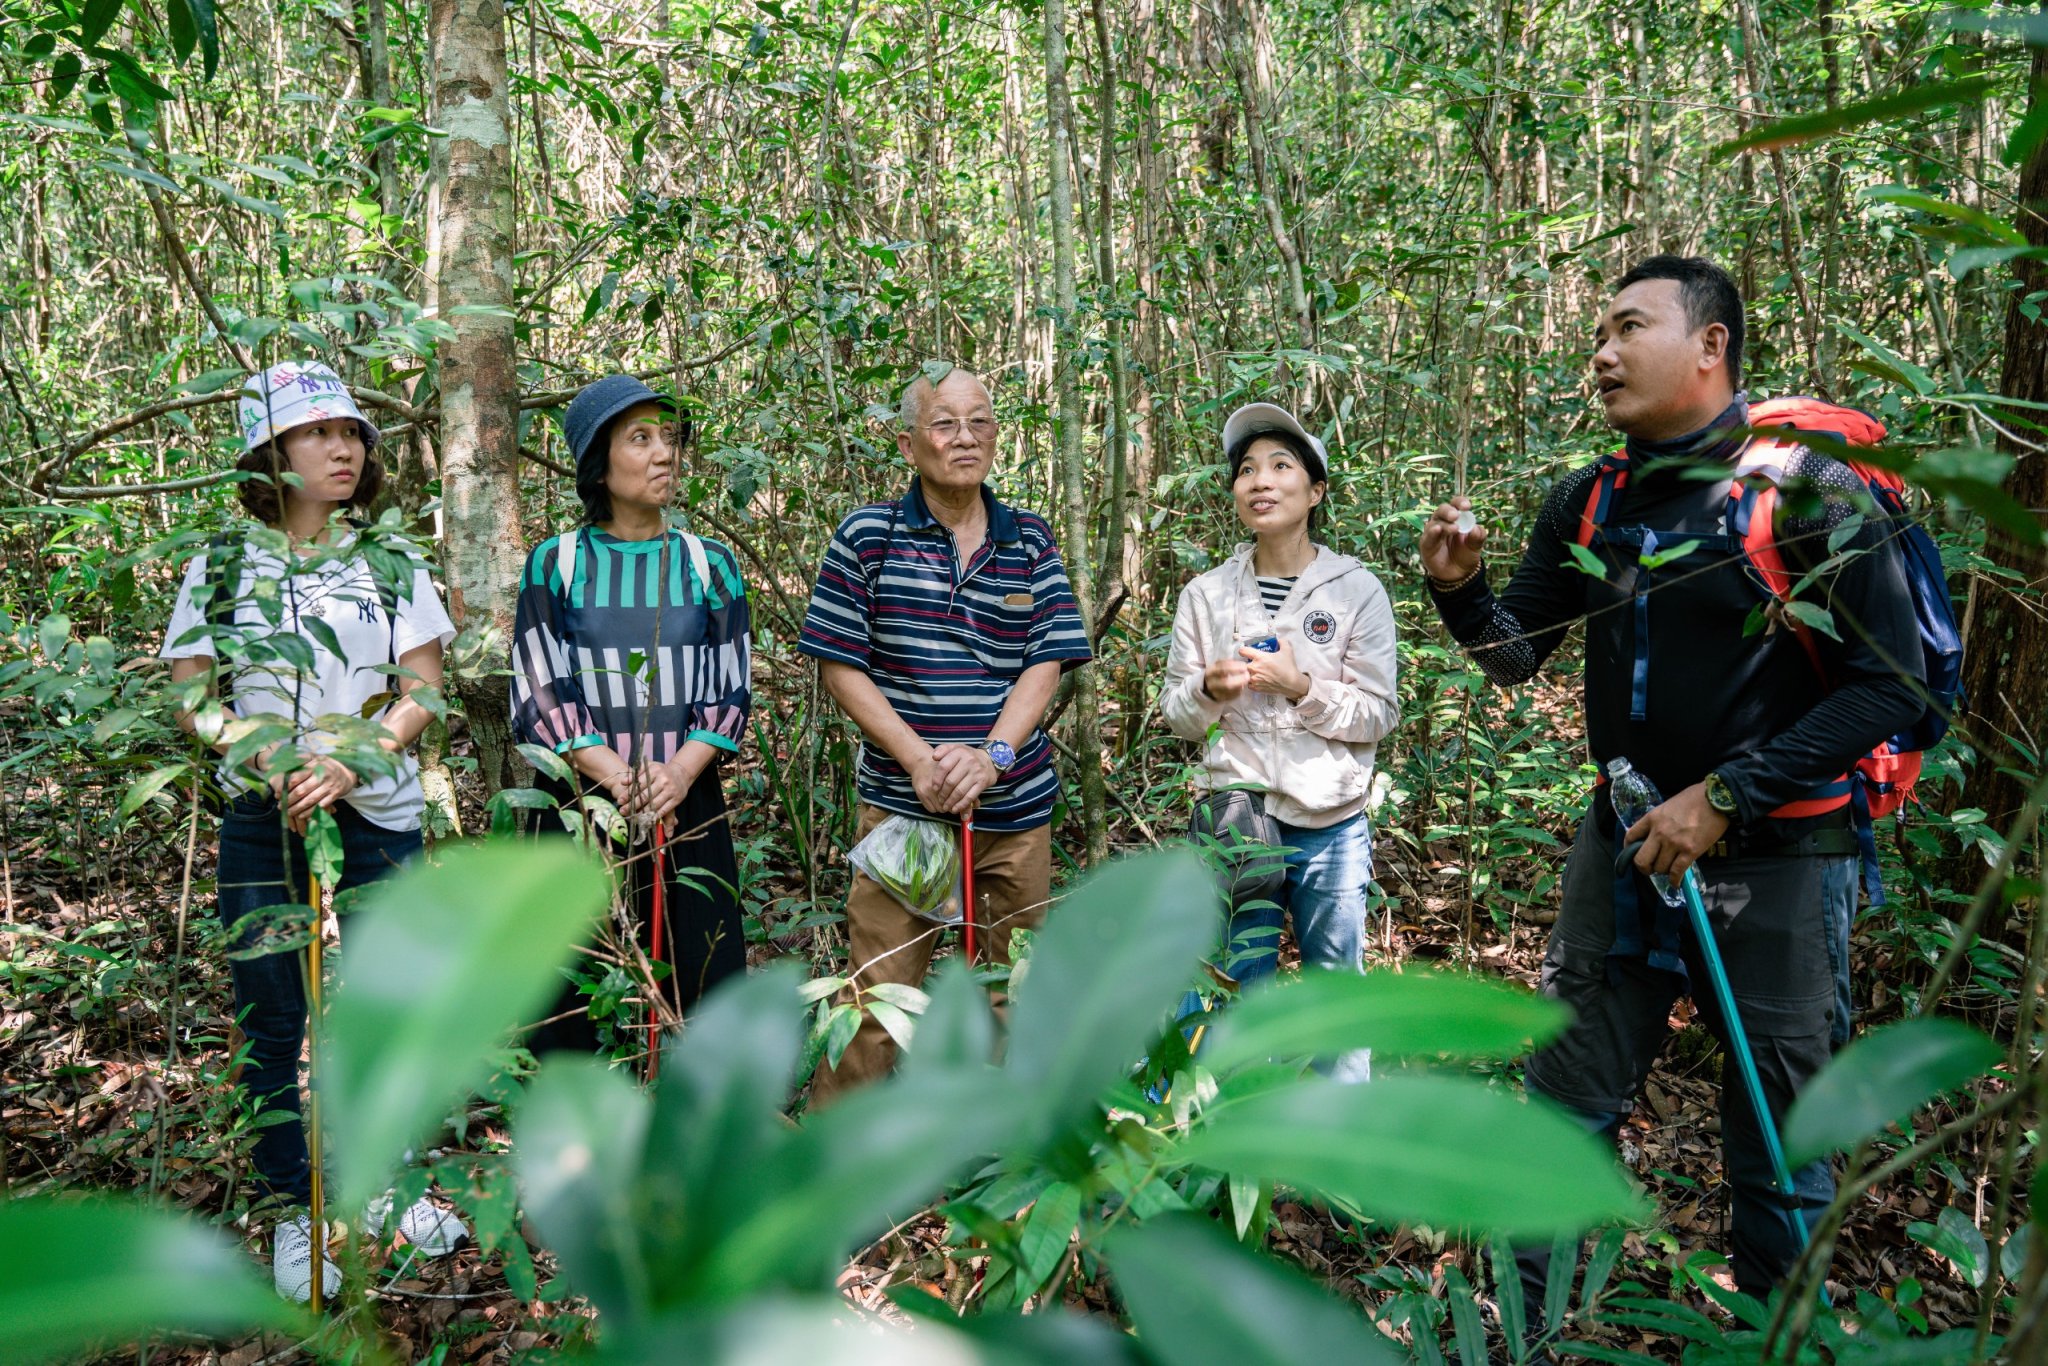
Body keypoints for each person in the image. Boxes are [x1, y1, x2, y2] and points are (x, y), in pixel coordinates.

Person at [1420, 256, 1925, 1301]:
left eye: (1626, 327)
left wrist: (1725, 794)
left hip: (1780, 863)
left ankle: (1777, 1333)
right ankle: (1526, 1329)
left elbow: (1896, 689)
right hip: (1623, 856)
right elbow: (1520, 653)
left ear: (1709, 345)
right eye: (1596, 333)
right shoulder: (1589, 498)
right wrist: (1459, 594)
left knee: (1780, 1155)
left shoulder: (1807, 485)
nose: (1600, 353)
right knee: (1559, 1113)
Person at [160, 360, 467, 1302]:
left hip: (376, 810)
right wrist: (268, 757)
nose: (343, 447)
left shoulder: (388, 559)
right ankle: (299, 1210)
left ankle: (391, 1182)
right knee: (271, 1012)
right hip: (264, 818)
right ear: (271, 452)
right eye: (317, 432)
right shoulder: (221, 564)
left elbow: (424, 688)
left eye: (352, 433)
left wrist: (353, 757)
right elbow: (191, 697)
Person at [798, 365, 1093, 1104]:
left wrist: (992, 757)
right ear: (909, 443)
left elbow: (1047, 660)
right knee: (877, 995)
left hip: (1014, 815)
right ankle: (833, 1173)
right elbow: (840, 664)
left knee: (1012, 993)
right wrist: (920, 760)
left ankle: (1004, 1167)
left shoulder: (1029, 538)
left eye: (980, 421)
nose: (965, 437)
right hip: (906, 810)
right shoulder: (869, 535)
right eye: (944, 422)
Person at [510, 374, 752, 1055]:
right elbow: (537, 691)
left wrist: (674, 775)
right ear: (598, 462)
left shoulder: (711, 566)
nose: (664, 453)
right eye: (640, 438)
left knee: (703, 992)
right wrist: (618, 778)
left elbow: (730, 692)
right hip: (579, 805)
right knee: (569, 1005)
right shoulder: (554, 564)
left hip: (689, 801)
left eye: (669, 437)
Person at [1159, 402, 1397, 1080]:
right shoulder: (1206, 595)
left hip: (1329, 821)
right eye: (1245, 471)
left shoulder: (1356, 591)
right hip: (1235, 816)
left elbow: (1379, 712)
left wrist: (1301, 687)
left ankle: (1337, 1159)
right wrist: (1208, 688)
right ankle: (1222, 1156)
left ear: (1315, 490)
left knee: (1336, 999)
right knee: (1224, 991)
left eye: (1281, 466)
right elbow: (1178, 715)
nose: (1259, 481)